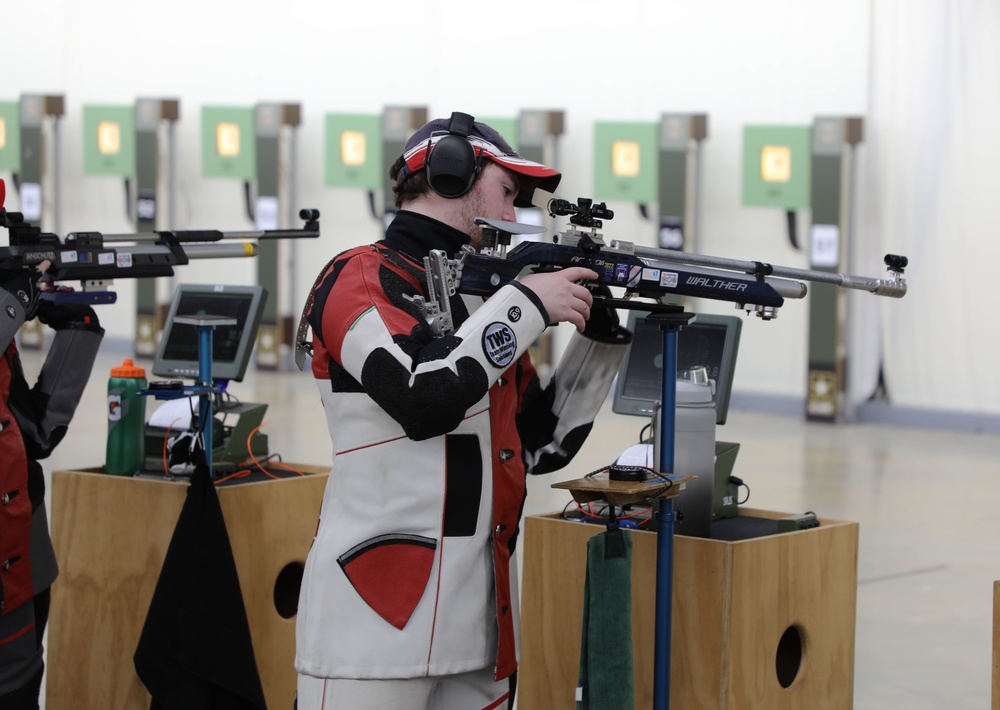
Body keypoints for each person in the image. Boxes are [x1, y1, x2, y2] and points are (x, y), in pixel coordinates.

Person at [295, 112, 632, 709]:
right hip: (373, 622)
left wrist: (597, 342)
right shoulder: (358, 277)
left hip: (479, 623)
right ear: (451, 174)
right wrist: (527, 302)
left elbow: (536, 446)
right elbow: (421, 400)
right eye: (507, 192)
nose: (512, 215)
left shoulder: (483, 299)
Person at [0, 262, 104, 709]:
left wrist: (77, 330)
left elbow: (33, 431)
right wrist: (9, 305)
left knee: (19, 685)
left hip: (23, 557)